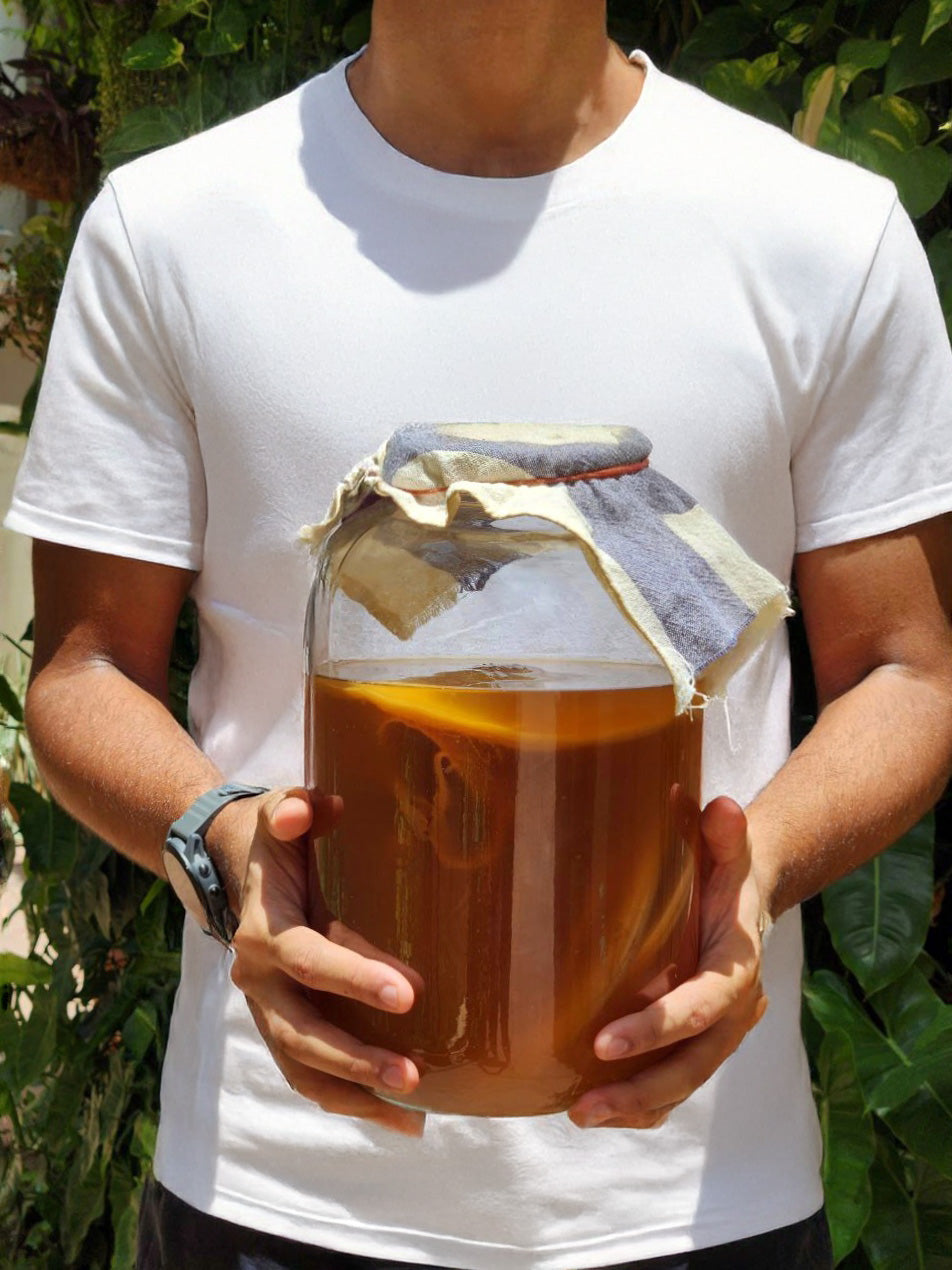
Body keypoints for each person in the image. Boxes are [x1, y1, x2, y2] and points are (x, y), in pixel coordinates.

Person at [6, 2, 952, 1266]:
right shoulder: (173, 226)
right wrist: (223, 846)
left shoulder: (819, 233)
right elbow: (84, 670)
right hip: (276, 1194)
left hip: (697, 1195)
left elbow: (906, 668)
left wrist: (760, 866)